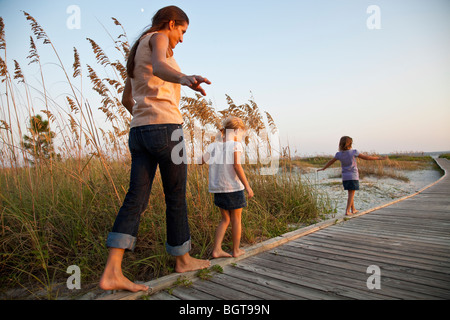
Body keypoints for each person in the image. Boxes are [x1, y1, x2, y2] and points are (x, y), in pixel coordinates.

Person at [100, 5, 211, 293]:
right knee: (175, 196)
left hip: (139, 132)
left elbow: (127, 99)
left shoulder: (136, 51)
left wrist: (145, 119)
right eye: (182, 31)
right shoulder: (158, 38)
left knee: (135, 198)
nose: (182, 39)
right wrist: (185, 78)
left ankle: (112, 271)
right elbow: (161, 67)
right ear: (171, 23)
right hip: (167, 130)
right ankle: (182, 260)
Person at [200, 117, 254, 258]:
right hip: (233, 187)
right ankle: (236, 250)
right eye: (242, 134)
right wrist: (247, 186)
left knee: (225, 219)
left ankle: (217, 249)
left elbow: (201, 161)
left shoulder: (214, 145)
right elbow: (236, 165)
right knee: (236, 219)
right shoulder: (235, 145)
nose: (241, 137)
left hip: (218, 188)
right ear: (235, 131)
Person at [317, 136, 387, 216]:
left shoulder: (338, 154)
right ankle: (347, 211)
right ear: (350, 143)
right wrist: (379, 158)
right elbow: (366, 157)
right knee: (351, 193)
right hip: (353, 176)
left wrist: (323, 168)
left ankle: (353, 209)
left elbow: (331, 161)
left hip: (345, 177)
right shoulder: (354, 152)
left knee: (350, 192)